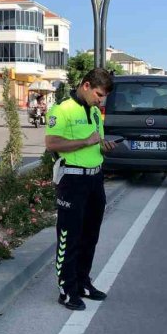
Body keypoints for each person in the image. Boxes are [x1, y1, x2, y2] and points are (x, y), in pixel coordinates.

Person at [45, 68, 117, 311]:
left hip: (95, 179)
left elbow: (96, 144)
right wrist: (86, 141)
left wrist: (103, 146)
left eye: (104, 96)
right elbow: (52, 143)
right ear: (86, 85)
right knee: (69, 237)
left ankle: (83, 282)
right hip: (72, 181)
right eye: (99, 94)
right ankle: (67, 289)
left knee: (90, 236)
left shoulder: (95, 112)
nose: (101, 101)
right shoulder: (62, 109)